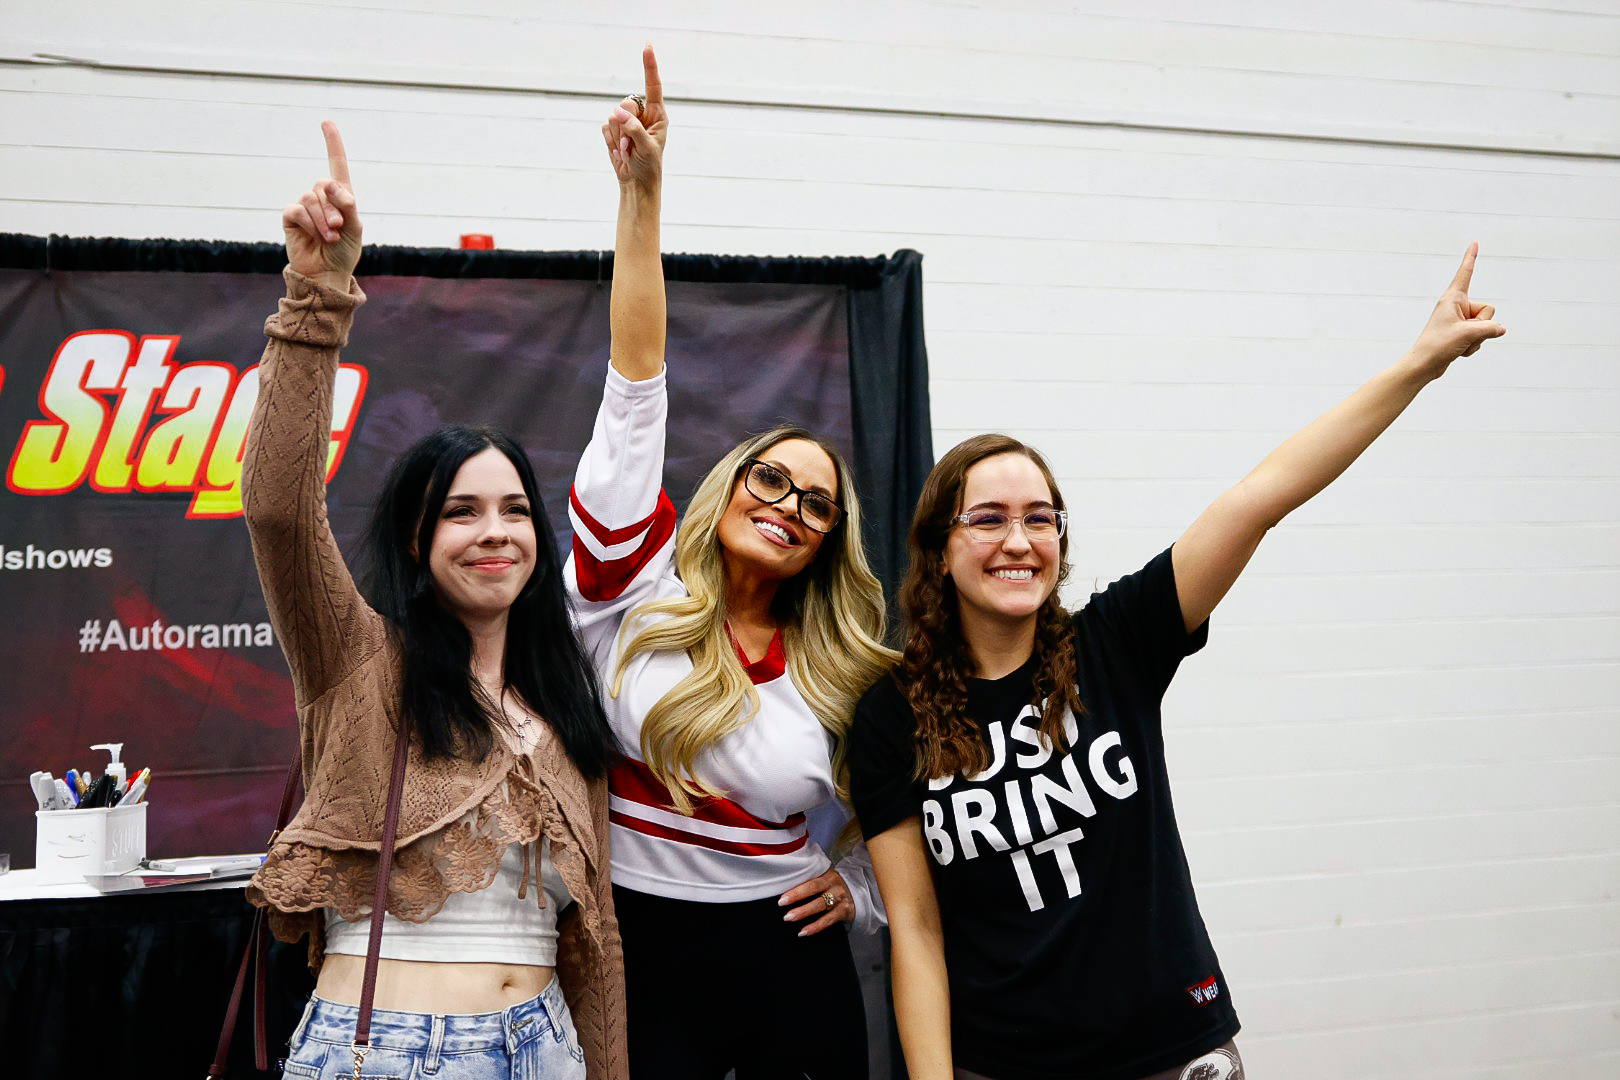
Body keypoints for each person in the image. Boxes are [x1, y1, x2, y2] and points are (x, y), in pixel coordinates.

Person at [850, 248, 1506, 1080]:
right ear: (941, 550)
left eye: (1040, 518)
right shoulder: (892, 715)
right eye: (988, 519)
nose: (1018, 540)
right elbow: (915, 929)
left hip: (1171, 1047)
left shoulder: (1115, 642)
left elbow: (1260, 497)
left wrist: (1419, 364)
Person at [241, 122, 626, 1080]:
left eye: (515, 510)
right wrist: (317, 294)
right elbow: (278, 508)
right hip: (385, 1050)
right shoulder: (361, 660)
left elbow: (597, 942)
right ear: (418, 541)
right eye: (461, 511)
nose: (495, 532)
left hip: (544, 1047)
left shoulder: (565, 703)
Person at [565, 48, 895, 1079]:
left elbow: (928, 811)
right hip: (638, 950)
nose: (788, 506)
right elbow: (635, 385)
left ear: (828, 541)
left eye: (816, 503)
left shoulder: (842, 671)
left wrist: (864, 890)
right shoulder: (632, 585)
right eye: (771, 479)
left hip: (787, 959)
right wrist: (643, 199)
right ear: (728, 487)